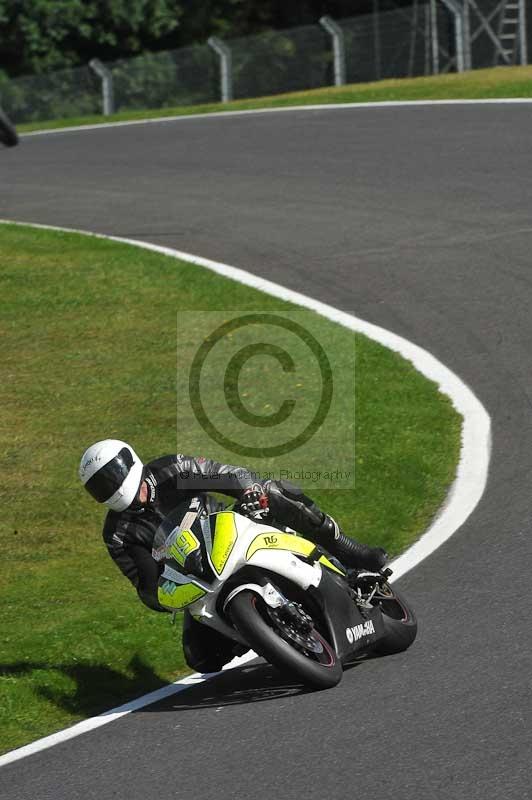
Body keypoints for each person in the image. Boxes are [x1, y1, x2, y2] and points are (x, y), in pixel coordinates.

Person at [79, 439, 387, 672]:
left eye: (112, 476)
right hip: (196, 577)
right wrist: (162, 596)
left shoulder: (171, 469)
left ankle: (349, 551)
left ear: (130, 462)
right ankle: (262, 634)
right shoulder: (118, 534)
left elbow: (224, 475)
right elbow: (145, 583)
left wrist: (249, 490)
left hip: (232, 531)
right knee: (200, 658)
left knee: (277, 492)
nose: (111, 487)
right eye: (100, 486)